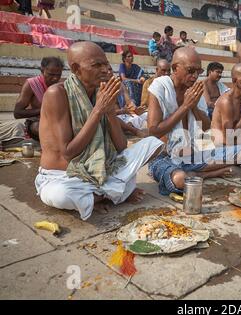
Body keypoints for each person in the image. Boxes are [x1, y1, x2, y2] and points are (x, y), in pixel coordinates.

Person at [35, 41, 164, 220]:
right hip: (64, 177)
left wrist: (110, 112)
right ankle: (112, 193)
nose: (104, 70)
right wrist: (98, 111)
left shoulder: (100, 92)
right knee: (60, 196)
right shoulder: (56, 94)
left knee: (154, 144)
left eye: (106, 64)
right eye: (97, 65)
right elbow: (68, 153)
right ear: (76, 68)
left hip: (101, 169)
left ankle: (103, 194)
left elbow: (121, 147)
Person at [147, 48, 241, 195]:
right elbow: (154, 130)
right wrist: (185, 106)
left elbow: (205, 126)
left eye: (199, 71)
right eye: (191, 71)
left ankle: (196, 172)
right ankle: (204, 174)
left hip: (194, 153)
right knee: (180, 179)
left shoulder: (194, 89)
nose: (195, 76)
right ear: (175, 68)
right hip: (165, 157)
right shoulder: (160, 86)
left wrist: (194, 106)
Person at [14, 56, 64, 141]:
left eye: (58, 75)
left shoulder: (61, 86)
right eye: (51, 74)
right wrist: (44, 110)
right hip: (36, 122)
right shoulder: (31, 84)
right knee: (40, 128)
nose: (55, 78)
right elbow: (17, 113)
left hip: (57, 122)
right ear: (42, 71)